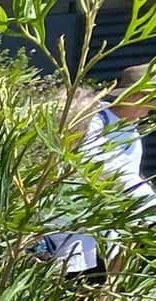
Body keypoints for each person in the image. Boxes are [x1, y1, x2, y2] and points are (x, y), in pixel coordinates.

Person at [38, 63, 156, 280]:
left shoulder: (133, 133)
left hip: (104, 234)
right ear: (136, 96)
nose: (149, 110)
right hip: (70, 227)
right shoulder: (90, 119)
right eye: (149, 101)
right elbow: (97, 165)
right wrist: (147, 202)